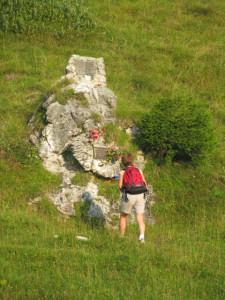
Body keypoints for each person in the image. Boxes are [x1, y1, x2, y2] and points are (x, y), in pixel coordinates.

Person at [119, 153, 148, 243]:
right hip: (140, 194)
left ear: (123, 162)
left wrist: (124, 192)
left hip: (129, 195)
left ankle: (121, 237)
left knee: (123, 216)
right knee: (140, 216)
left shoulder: (123, 172)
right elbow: (145, 184)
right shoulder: (138, 170)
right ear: (132, 161)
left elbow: (120, 186)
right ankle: (142, 237)